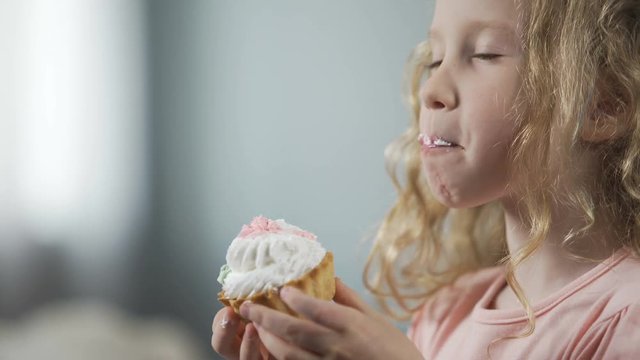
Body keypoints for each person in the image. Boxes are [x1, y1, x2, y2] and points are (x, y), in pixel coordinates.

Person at [211, 0, 640, 358]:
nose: (430, 87)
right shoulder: (446, 313)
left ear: (604, 105)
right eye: (434, 58)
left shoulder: (625, 319)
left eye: (485, 53)